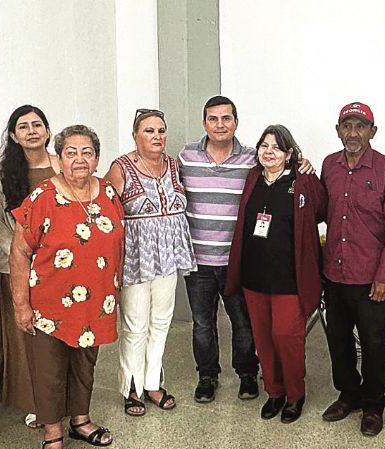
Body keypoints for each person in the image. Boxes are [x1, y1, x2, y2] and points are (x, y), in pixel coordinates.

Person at [9, 124, 122, 449]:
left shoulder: (108, 193)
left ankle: (81, 420)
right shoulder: (43, 197)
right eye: (71, 152)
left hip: (97, 302)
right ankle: (53, 434)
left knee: (85, 364)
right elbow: (19, 253)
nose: (79, 159)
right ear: (59, 159)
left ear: (97, 158)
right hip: (50, 305)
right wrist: (21, 304)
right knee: (50, 370)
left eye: (86, 152)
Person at [225, 124, 326, 424]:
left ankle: (295, 394)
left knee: (288, 337)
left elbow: (322, 212)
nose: (268, 152)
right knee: (264, 339)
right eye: (264, 146)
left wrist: (309, 172)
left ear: (289, 153)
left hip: (289, 279)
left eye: (276, 147)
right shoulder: (253, 178)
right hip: (255, 278)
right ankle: (274, 391)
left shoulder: (302, 181)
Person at [319, 102, 385, 436]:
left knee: (374, 343)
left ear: (373, 131)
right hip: (335, 274)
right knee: (338, 340)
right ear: (338, 130)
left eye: (360, 126)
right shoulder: (329, 166)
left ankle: (373, 403)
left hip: (372, 279)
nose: (353, 133)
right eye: (347, 126)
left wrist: (384, 275)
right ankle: (348, 394)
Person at [105, 109, 197, 416]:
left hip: (168, 254)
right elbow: (103, 208)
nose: (156, 136)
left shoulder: (173, 164)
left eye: (161, 130)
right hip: (135, 256)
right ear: (135, 135)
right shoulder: (121, 167)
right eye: (149, 131)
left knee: (162, 320)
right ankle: (131, 385)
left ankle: (153, 381)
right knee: (135, 323)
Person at [178, 96, 260, 403]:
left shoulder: (252, 158)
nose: (220, 124)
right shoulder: (186, 157)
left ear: (236, 122)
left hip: (237, 261)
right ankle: (207, 376)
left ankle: (247, 373)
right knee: (202, 324)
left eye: (226, 118)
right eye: (213, 119)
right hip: (197, 260)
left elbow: (283, 167)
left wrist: (302, 162)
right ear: (204, 124)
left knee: (242, 322)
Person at [0, 105, 60, 428]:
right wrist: (22, 257)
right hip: (16, 268)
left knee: (58, 337)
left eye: (37, 124)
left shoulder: (62, 166)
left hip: (60, 269)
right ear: (14, 135)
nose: (31, 130)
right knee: (26, 337)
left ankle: (60, 395)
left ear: (47, 130)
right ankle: (34, 402)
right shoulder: (1, 174)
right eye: (23, 126)